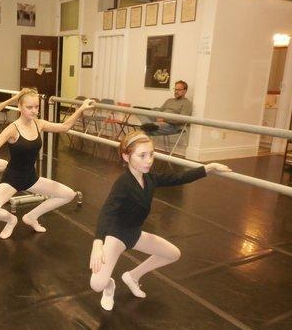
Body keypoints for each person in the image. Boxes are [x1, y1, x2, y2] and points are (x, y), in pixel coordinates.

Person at [89, 130, 231, 311]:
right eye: (142, 155)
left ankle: (132, 276)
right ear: (126, 156)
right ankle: (109, 286)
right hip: (116, 236)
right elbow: (107, 211)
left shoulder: (150, 178)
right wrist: (98, 243)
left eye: (151, 154)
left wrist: (208, 168)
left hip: (135, 233)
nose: (149, 160)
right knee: (97, 284)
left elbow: (179, 178)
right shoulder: (123, 184)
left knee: (173, 254)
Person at [0, 89, 94, 239]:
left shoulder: (39, 124)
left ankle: (31, 217)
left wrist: (81, 108)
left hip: (31, 178)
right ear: (20, 106)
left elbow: (64, 127)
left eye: (36, 107)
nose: (34, 111)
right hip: (12, 179)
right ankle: (11, 220)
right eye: (29, 107)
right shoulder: (12, 129)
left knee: (69, 195)